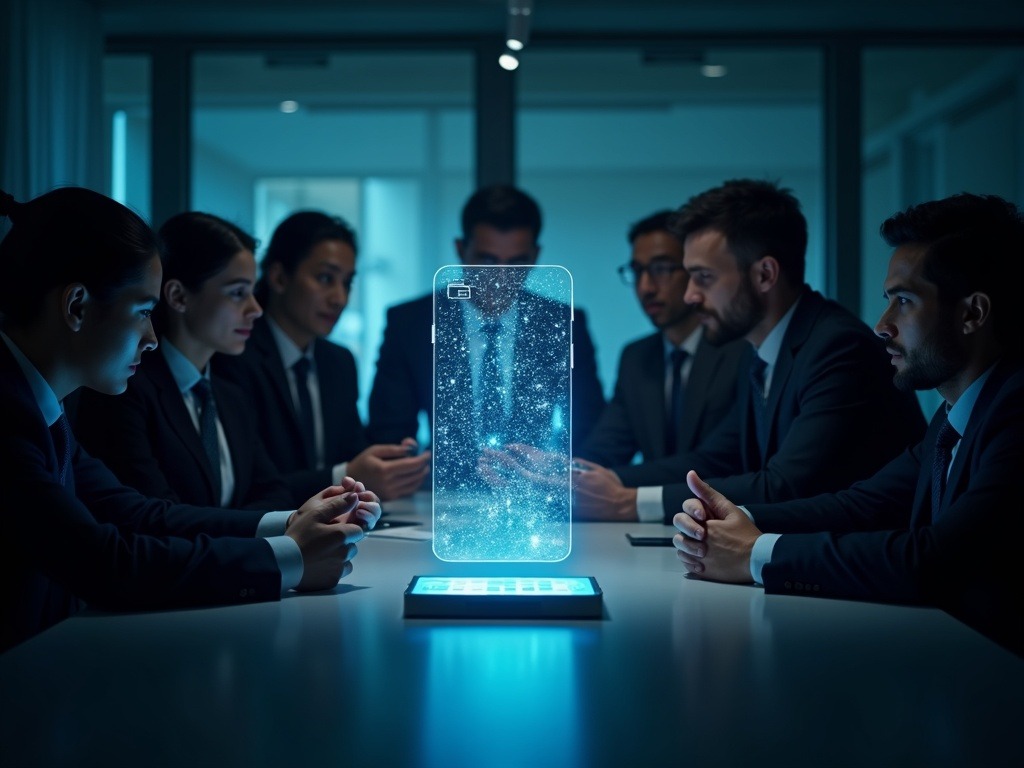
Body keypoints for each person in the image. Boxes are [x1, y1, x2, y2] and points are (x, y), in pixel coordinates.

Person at [0, 187, 380, 652]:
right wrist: (289, 556)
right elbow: (104, 561)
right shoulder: (10, 415)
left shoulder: (42, 410)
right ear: (77, 306)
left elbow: (135, 512)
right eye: (143, 312)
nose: (151, 337)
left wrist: (292, 523)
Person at [673, 193, 1023, 655]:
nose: (881, 325)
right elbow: (863, 504)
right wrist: (738, 521)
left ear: (972, 314)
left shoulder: (1016, 412)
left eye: (904, 301)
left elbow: (934, 560)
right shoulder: (953, 417)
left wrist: (755, 554)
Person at [574, 179, 926, 522]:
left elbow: (786, 485)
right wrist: (601, 484)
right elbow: (720, 457)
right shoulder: (760, 350)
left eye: (704, 278)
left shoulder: (837, 347)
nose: (690, 295)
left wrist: (629, 503)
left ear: (764, 275)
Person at [73, 212, 293, 510]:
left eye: (252, 292)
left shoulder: (232, 396)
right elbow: (157, 515)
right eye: (238, 293)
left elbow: (274, 491)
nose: (255, 309)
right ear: (178, 296)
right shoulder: (126, 391)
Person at [367, 184, 606, 453]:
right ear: (460, 250)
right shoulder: (412, 323)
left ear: (536, 257)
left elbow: (589, 430)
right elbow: (389, 434)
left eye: (516, 263)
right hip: (437, 488)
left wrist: (555, 475)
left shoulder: (563, 324)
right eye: (488, 261)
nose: (500, 279)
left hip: (534, 487)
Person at [213, 211, 431, 505]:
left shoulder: (338, 362)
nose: (339, 298)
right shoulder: (235, 353)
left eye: (347, 282)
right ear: (278, 277)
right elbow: (249, 485)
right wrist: (346, 474)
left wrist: (390, 461)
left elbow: (352, 452)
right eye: (325, 278)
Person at [574, 210, 746, 468]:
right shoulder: (636, 357)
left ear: (694, 271)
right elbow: (606, 448)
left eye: (661, 269)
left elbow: (718, 461)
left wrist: (617, 489)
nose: (646, 287)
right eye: (637, 270)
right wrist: (556, 473)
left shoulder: (740, 351)